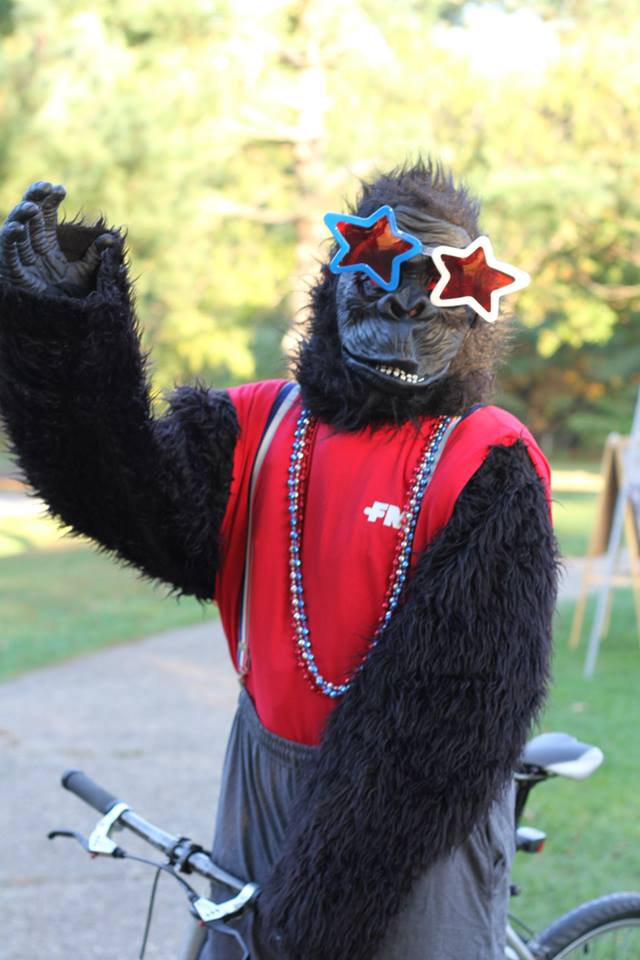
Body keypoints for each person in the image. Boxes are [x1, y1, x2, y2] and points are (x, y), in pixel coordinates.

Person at [0, 160, 558, 959]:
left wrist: (325, 898)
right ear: (337, 284)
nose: (403, 301)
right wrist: (55, 330)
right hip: (261, 778)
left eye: (429, 284)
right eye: (381, 272)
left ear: (472, 310)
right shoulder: (261, 427)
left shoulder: (487, 460)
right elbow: (122, 495)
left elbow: (453, 717)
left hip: (413, 822)